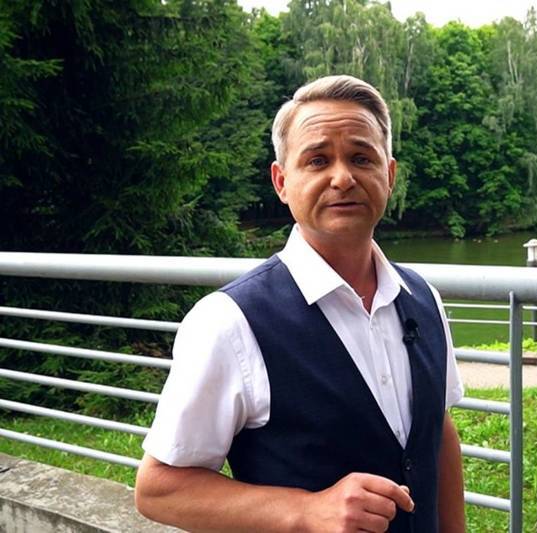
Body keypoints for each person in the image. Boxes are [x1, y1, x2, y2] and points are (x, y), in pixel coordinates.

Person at [135, 75, 466, 532]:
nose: (343, 177)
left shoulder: (423, 298)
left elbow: (437, 432)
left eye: (361, 158)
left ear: (389, 175)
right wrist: (305, 511)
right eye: (317, 160)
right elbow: (158, 489)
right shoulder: (230, 321)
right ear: (282, 181)